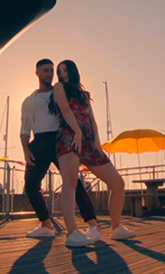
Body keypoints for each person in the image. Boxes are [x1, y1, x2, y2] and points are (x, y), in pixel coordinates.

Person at [52, 60, 136, 245]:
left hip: (89, 142)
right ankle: (72, 233)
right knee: (71, 184)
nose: (62, 74)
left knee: (118, 183)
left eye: (65, 70)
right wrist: (77, 132)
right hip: (69, 137)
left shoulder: (84, 94)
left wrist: (97, 143)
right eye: (60, 71)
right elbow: (65, 111)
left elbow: (92, 119)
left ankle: (116, 228)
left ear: (73, 70)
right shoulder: (58, 88)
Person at [20, 59, 101, 246]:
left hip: (60, 138)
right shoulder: (28, 101)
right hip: (39, 142)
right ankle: (46, 225)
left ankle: (92, 224)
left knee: (72, 182)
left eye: (51, 70)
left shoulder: (60, 91)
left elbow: (72, 112)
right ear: (37, 73)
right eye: (45, 70)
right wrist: (26, 150)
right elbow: (24, 128)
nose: (49, 73)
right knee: (31, 186)